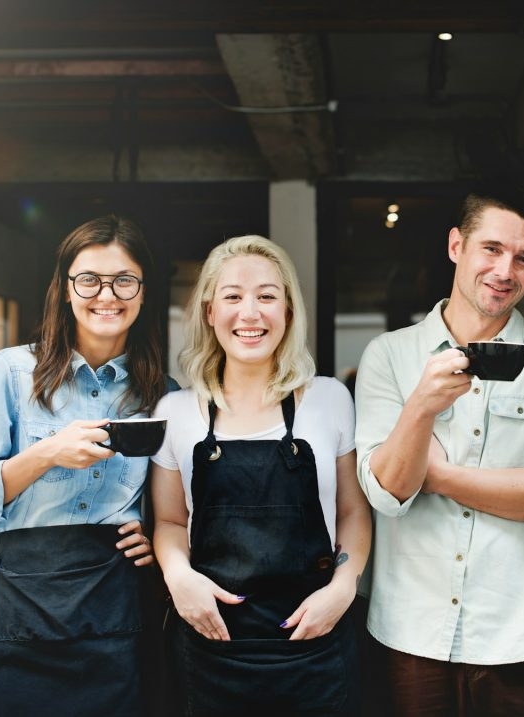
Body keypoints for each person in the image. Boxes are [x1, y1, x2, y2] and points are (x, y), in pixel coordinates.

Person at [354, 185, 524, 717]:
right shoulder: (388, 356)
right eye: (492, 249)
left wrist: (435, 475)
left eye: (523, 258)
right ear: (456, 246)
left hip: (523, 627)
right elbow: (386, 492)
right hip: (409, 626)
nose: (506, 270)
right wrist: (419, 407)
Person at [0, 215, 174, 717]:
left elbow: (180, 504)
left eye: (124, 280)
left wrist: (158, 534)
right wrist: (47, 451)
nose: (106, 295)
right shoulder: (9, 372)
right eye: (89, 279)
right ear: (66, 290)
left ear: (143, 292)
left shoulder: (165, 395)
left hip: (117, 606)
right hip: (23, 605)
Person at [150, 235, 371, 717]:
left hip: (316, 642)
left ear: (289, 311)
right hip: (210, 646)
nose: (249, 313)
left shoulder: (330, 399)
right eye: (232, 296)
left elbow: (353, 510)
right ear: (210, 312)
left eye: (267, 296)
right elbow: (168, 522)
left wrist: (343, 586)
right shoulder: (176, 412)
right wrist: (178, 576)